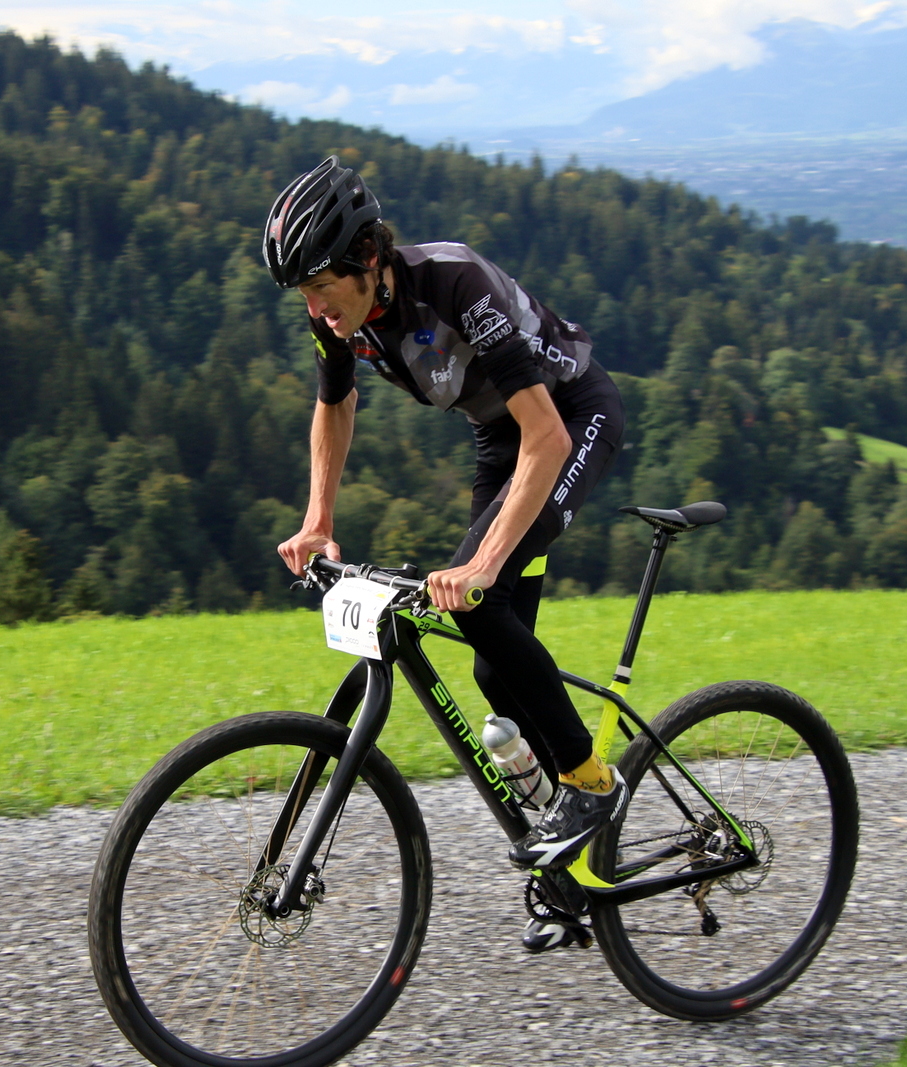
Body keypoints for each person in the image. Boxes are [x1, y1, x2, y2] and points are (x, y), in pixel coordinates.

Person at [268, 157, 629, 951]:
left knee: (482, 597)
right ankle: (569, 873)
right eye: (303, 293)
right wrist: (319, 518)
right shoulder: (339, 317)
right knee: (496, 670)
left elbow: (548, 436)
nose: (315, 308)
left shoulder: (457, 284)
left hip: (569, 418)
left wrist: (482, 563)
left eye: (322, 286)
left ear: (369, 257)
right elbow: (335, 402)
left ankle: (590, 783)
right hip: (501, 439)